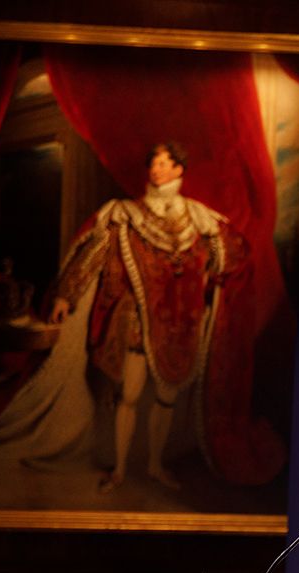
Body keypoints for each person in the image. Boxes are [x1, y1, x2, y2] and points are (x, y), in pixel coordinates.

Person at [48, 141, 244, 491]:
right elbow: (95, 252)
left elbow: (225, 259)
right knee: (130, 395)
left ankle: (155, 466)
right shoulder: (126, 213)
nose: (156, 169)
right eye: (153, 163)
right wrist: (66, 295)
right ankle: (120, 470)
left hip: (181, 320)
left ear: (179, 170)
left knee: (167, 399)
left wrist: (212, 274)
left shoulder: (198, 217)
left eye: (165, 163)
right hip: (139, 317)